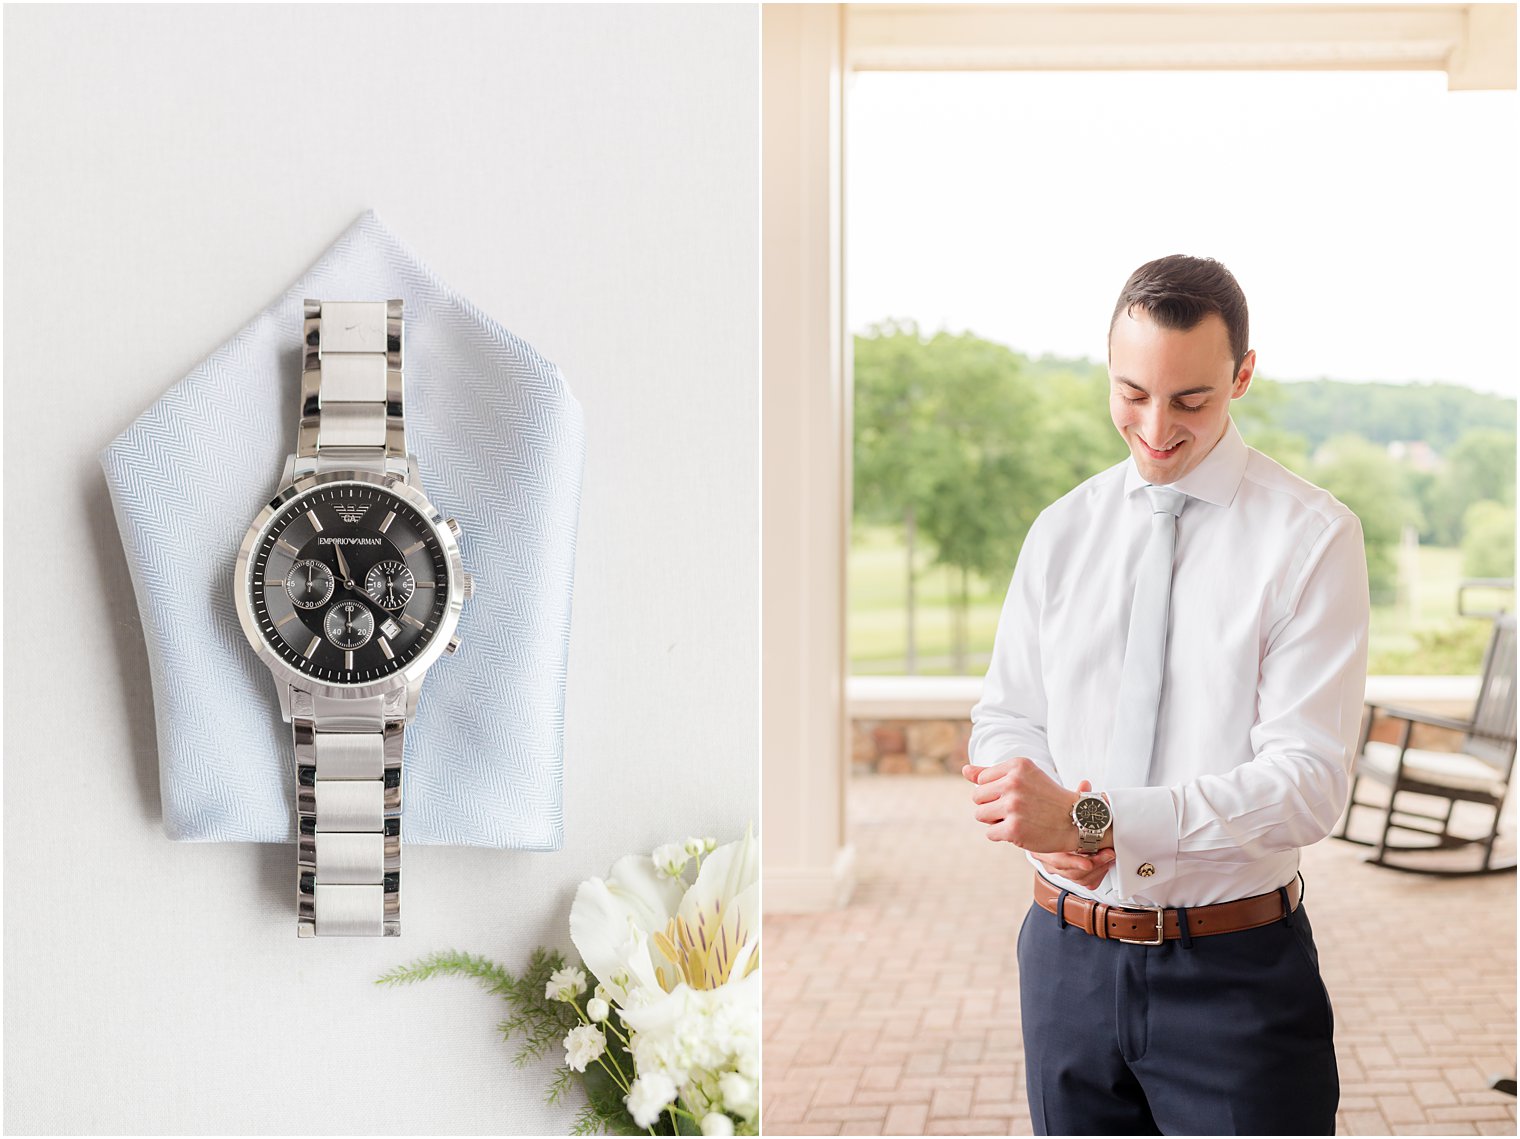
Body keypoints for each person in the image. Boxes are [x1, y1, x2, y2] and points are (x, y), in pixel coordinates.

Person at [964, 254, 1370, 1136]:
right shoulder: (1061, 530)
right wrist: (1028, 805)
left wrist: (1097, 821)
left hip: (1234, 976)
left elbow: (1307, 782)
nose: (1155, 427)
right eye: (1131, 392)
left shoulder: (1312, 538)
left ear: (1243, 376)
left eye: (1191, 400)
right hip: (1064, 964)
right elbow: (1005, 715)